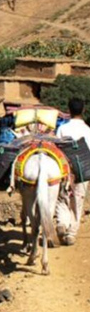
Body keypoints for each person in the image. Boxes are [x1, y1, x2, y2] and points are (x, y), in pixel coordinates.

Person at [56, 98, 90, 245]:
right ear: (83, 110)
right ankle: (71, 234)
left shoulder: (62, 129)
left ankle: (62, 222)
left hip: (65, 170)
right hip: (83, 170)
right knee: (78, 200)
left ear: (68, 110)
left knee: (62, 197)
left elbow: (57, 149)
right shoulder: (88, 130)